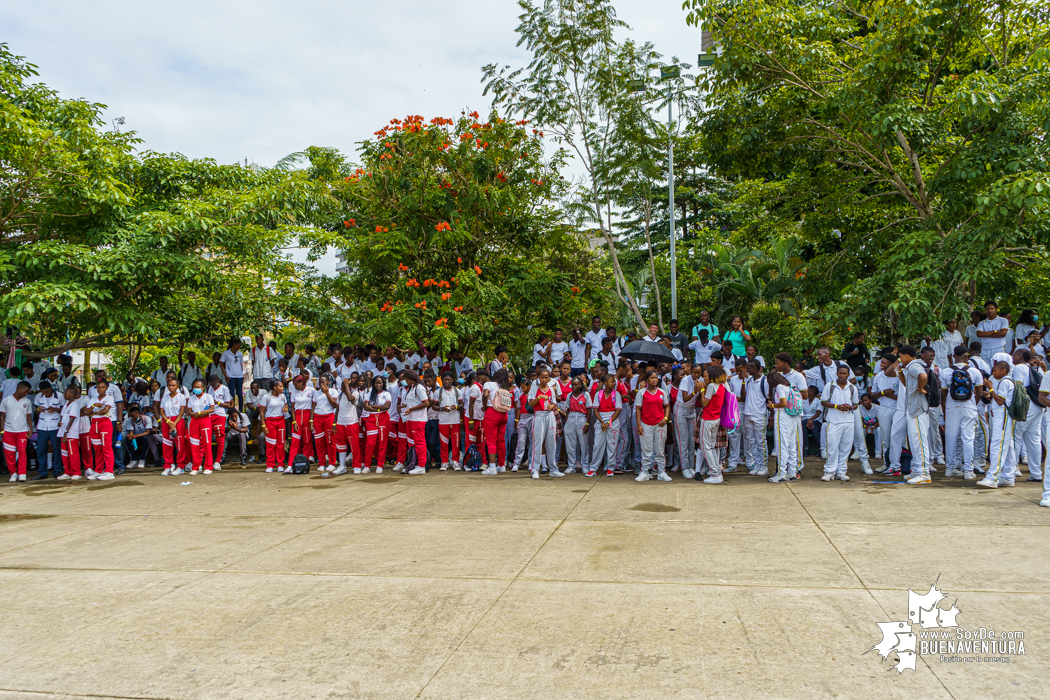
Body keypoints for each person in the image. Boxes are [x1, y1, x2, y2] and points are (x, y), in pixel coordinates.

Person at [941, 345, 984, 479]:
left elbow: (943, 394)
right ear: (967, 356)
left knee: (951, 438)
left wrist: (945, 410)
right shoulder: (975, 372)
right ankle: (968, 471)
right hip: (969, 407)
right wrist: (973, 404)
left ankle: (949, 468)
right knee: (968, 438)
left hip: (951, 407)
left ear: (953, 356)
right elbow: (979, 393)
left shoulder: (946, 372)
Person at [897, 345, 932, 484]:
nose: (900, 359)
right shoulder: (910, 367)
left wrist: (920, 388)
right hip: (914, 409)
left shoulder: (914, 365)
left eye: (900, 356)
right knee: (914, 441)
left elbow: (922, 376)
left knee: (919, 441)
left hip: (917, 408)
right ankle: (917, 470)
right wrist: (900, 372)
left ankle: (924, 473)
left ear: (906, 355)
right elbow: (907, 384)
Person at [978, 361, 1015, 488]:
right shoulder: (1005, 381)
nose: (993, 373)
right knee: (1008, 446)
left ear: (1004, 371)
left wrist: (990, 388)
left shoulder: (1005, 382)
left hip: (1003, 415)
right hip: (1002, 415)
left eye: (995, 370)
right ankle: (1009, 476)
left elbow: (1000, 401)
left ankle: (992, 476)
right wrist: (990, 394)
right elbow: (998, 398)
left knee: (997, 445)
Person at [820, 365, 859, 481]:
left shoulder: (852, 388)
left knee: (845, 448)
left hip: (848, 421)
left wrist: (850, 407)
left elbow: (856, 404)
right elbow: (823, 402)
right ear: (837, 373)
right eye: (840, 373)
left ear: (848, 374)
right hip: (833, 421)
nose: (842, 376)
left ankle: (841, 471)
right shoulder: (830, 386)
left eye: (845, 373)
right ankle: (829, 471)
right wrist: (837, 406)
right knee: (832, 448)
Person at [1010, 349, 1043, 482]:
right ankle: (1036, 472)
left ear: (1020, 356)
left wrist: (1016, 408)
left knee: (1016, 435)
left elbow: (1019, 389)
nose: (1013, 357)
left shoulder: (1019, 368)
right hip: (1038, 405)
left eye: (1015, 355)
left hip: (1026, 407)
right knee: (1034, 439)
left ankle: (1013, 469)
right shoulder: (1036, 369)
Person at [634, 369, 671, 482]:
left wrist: (665, 418)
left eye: (656, 378)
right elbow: (638, 409)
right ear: (646, 380)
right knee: (646, 449)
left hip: (660, 424)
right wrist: (639, 425)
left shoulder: (661, 392)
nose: (655, 380)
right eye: (652, 378)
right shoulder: (641, 393)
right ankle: (645, 471)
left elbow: (667, 406)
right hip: (646, 424)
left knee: (660, 449)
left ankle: (661, 472)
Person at [694, 364, 728, 483]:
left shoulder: (711, 386)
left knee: (705, 446)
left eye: (706, 376)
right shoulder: (722, 386)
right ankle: (717, 472)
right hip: (716, 419)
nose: (704, 379)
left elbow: (704, 403)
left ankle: (715, 473)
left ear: (712, 376)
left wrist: (702, 389)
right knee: (712, 446)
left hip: (708, 419)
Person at [527, 367, 562, 478]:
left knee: (551, 442)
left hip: (549, 415)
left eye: (546, 377)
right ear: (538, 378)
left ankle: (553, 468)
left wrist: (551, 405)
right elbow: (531, 404)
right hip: (539, 416)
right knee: (537, 442)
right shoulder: (534, 388)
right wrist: (540, 397)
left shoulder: (551, 389)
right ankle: (535, 469)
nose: (544, 380)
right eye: (542, 377)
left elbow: (553, 403)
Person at [765, 372, 798, 482]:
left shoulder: (779, 387)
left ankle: (781, 473)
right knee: (792, 445)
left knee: (781, 445)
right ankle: (792, 472)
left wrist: (772, 405)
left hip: (783, 416)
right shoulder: (789, 386)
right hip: (792, 416)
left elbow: (783, 403)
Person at [589, 373, 622, 477]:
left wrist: (608, 422)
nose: (613, 383)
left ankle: (610, 467)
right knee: (597, 445)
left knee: (612, 444)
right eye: (611, 381)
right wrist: (602, 422)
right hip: (600, 419)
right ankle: (593, 468)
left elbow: (618, 410)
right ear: (605, 383)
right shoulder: (599, 394)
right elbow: (595, 409)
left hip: (613, 419)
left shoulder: (616, 394)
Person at [0, 380, 34, 482]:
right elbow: (1, 416)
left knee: (22, 451)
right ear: (19, 388)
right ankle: (13, 473)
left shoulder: (27, 401)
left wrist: (30, 429)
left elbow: (29, 416)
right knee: (9, 453)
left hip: (22, 431)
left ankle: (22, 473)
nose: (26, 394)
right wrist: (2, 431)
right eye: (25, 391)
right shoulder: (6, 400)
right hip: (8, 431)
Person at [480, 369, 512, 475]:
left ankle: (492, 467)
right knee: (501, 440)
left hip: (492, 412)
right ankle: (501, 465)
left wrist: (484, 407)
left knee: (491, 441)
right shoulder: (504, 386)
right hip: (504, 414)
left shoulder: (489, 384)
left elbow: (485, 395)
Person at [399, 371, 430, 475]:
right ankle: (413, 463)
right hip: (410, 418)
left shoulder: (419, 388)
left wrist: (411, 408)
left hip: (418, 419)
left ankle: (421, 465)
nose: (405, 381)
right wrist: (405, 406)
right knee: (412, 442)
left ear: (411, 379)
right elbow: (413, 401)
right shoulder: (412, 387)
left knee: (419, 442)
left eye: (406, 379)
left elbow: (426, 403)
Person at [741, 360, 768, 476]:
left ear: (757, 369)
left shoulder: (764, 381)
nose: (748, 369)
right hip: (748, 414)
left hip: (759, 414)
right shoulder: (748, 381)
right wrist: (743, 381)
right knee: (751, 441)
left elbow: (768, 397)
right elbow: (743, 397)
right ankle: (757, 464)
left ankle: (764, 465)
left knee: (760, 441)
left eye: (750, 367)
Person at [32, 380, 63, 479]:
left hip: (55, 425)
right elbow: (35, 411)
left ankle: (57, 470)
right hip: (42, 425)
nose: (44, 394)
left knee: (56, 448)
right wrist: (38, 410)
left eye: (46, 392)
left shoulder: (59, 396)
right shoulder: (38, 397)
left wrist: (55, 409)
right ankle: (42, 472)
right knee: (41, 449)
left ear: (50, 388)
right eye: (42, 392)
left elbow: (65, 409)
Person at [361, 376, 392, 472]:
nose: (378, 385)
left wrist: (374, 406)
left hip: (383, 418)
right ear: (373, 384)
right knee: (370, 443)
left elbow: (386, 407)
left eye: (380, 383)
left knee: (383, 442)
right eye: (376, 383)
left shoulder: (386, 394)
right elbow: (365, 407)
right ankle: (367, 465)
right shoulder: (369, 393)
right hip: (372, 419)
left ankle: (380, 464)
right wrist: (379, 408)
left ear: (383, 383)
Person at [158, 377, 189, 475]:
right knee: (166, 444)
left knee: (179, 444)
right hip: (167, 420)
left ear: (177, 386)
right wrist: (168, 421)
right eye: (169, 386)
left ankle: (180, 467)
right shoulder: (165, 397)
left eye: (173, 385)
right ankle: (168, 465)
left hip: (178, 421)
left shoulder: (181, 397)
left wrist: (174, 423)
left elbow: (181, 412)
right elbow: (161, 412)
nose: (171, 387)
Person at [286, 374, 316, 469]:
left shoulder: (311, 391)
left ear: (301, 382)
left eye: (296, 385)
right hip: (298, 416)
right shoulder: (294, 392)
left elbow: (313, 406)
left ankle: (304, 464)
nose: (295, 387)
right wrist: (294, 422)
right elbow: (293, 408)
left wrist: (311, 420)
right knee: (295, 441)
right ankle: (290, 464)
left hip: (308, 415)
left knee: (307, 441)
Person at [185, 379, 215, 475]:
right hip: (194, 421)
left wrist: (201, 413)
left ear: (203, 388)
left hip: (205, 421)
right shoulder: (191, 398)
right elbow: (189, 411)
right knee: (194, 445)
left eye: (198, 387)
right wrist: (194, 414)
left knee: (206, 444)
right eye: (195, 387)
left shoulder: (208, 396)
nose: (196, 389)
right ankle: (196, 467)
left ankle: (208, 466)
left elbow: (211, 409)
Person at [673, 365, 698, 478]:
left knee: (691, 440)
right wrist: (694, 392)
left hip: (691, 411)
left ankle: (691, 466)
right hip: (681, 409)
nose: (696, 375)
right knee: (683, 440)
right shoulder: (685, 380)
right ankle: (684, 467)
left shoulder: (701, 381)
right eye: (694, 373)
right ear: (690, 371)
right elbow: (684, 398)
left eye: (699, 373)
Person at [562, 376, 591, 474]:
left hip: (582, 417)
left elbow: (589, 409)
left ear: (580, 384)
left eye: (576, 384)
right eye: (573, 384)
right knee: (570, 444)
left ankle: (585, 465)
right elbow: (568, 410)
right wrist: (566, 423)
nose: (574, 386)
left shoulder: (585, 394)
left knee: (583, 443)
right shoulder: (569, 395)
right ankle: (571, 465)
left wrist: (587, 423)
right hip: (571, 417)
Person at [259, 380, 289, 473]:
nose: (282, 388)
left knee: (281, 443)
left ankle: (280, 464)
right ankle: (270, 464)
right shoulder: (266, 397)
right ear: (275, 387)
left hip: (280, 421)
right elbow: (262, 412)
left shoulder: (283, 396)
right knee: (270, 444)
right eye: (280, 386)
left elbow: (286, 405)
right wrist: (263, 425)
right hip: (270, 421)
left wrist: (286, 408)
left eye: (283, 386)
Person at [334, 377, 362, 474]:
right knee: (341, 446)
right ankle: (342, 466)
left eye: (344, 385)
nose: (342, 387)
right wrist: (335, 423)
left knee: (354, 445)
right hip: (341, 423)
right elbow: (337, 409)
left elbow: (350, 398)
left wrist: (347, 385)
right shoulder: (340, 395)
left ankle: (357, 465)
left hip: (351, 423)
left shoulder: (355, 393)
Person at [434, 372, 462, 470]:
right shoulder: (438, 392)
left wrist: (457, 406)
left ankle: (455, 461)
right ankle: (444, 462)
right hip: (443, 421)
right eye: (445, 379)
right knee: (443, 443)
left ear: (452, 380)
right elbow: (433, 406)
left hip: (455, 420)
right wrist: (442, 408)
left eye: (449, 379)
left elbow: (462, 405)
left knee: (456, 442)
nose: (447, 381)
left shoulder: (457, 391)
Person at [311, 375, 339, 471]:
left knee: (330, 441)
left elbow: (335, 405)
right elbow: (313, 407)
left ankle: (332, 463)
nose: (322, 384)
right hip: (317, 418)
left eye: (324, 382)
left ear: (328, 382)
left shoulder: (333, 391)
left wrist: (327, 393)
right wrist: (311, 421)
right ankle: (321, 463)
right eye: (320, 383)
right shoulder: (316, 393)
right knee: (319, 442)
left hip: (329, 417)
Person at [206, 374, 233, 472]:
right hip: (209, 414)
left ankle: (217, 461)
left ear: (218, 381)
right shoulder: (209, 388)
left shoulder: (224, 389)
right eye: (211, 384)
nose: (213, 386)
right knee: (207, 437)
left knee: (220, 437)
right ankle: (208, 461)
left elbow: (228, 404)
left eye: (215, 383)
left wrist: (216, 402)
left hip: (220, 415)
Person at [56, 385, 83, 480]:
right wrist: (60, 424)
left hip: (70, 433)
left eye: (66, 393)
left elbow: (71, 419)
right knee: (64, 453)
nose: (64, 395)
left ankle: (76, 472)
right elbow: (63, 417)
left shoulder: (74, 405)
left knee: (73, 453)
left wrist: (66, 432)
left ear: (71, 394)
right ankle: (67, 471)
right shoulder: (66, 405)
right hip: (63, 432)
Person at [121, 405, 152, 469]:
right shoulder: (130, 420)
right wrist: (131, 435)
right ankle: (133, 459)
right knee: (128, 439)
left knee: (146, 439)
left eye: (134, 416)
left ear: (139, 414)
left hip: (144, 436)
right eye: (131, 416)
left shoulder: (146, 418)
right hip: (136, 437)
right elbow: (131, 431)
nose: (132, 418)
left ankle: (142, 459)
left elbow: (147, 432)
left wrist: (135, 435)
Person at [801, 386, 822, 458]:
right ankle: (806, 447)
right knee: (803, 423)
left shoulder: (818, 401)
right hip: (805, 421)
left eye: (808, 391)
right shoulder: (804, 401)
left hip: (816, 420)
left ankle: (820, 447)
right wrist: (808, 420)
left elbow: (818, 413)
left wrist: (811, 419)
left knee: (814, 425)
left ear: (811, 392)